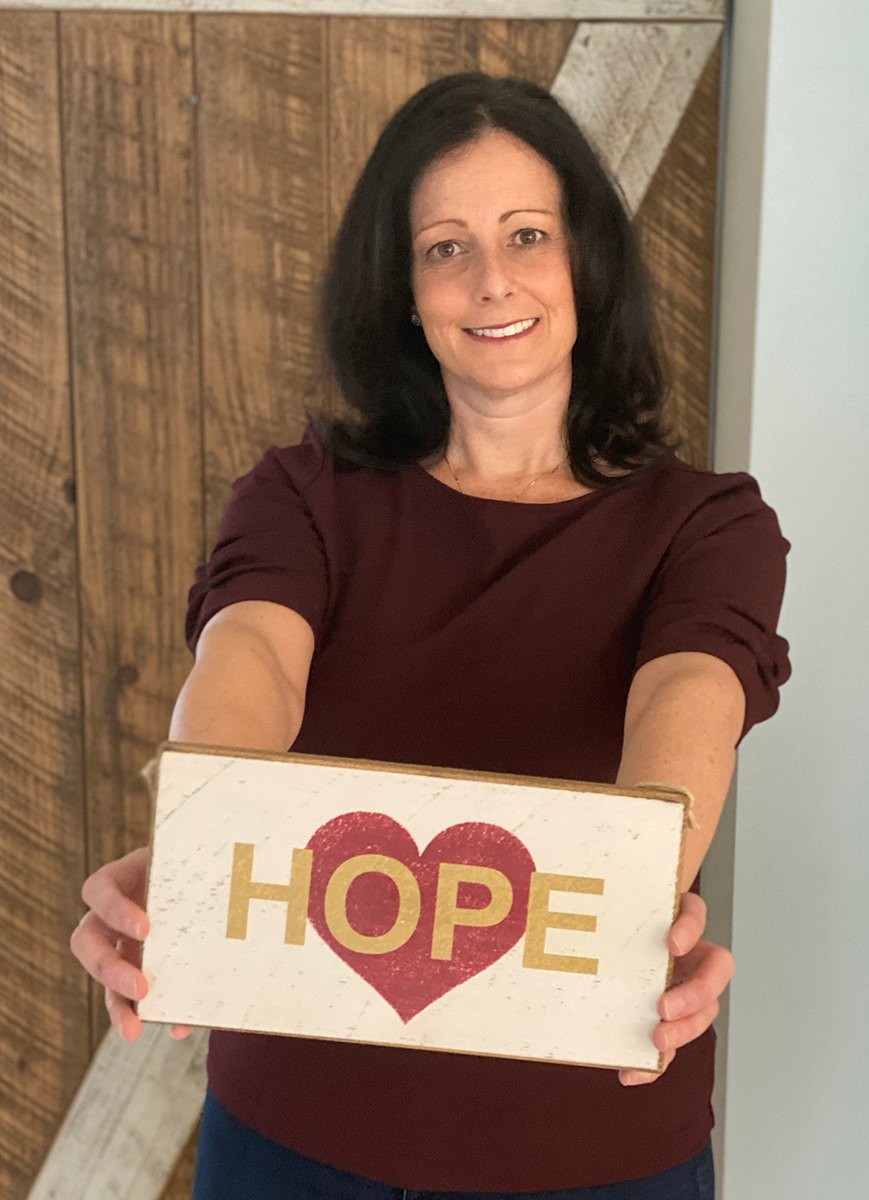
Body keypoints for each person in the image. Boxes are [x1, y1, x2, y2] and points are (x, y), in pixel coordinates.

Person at [70, 73, 790, 1199]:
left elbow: (689, 697)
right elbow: (250, 657)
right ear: (402, 288)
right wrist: (210, 841)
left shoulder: (708, 525)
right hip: (294, 1139)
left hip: (592, 1153)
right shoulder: (302, 497)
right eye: (446, 246)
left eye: (527, 235)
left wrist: (650, 878)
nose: (492, 278)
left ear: (583, 264)